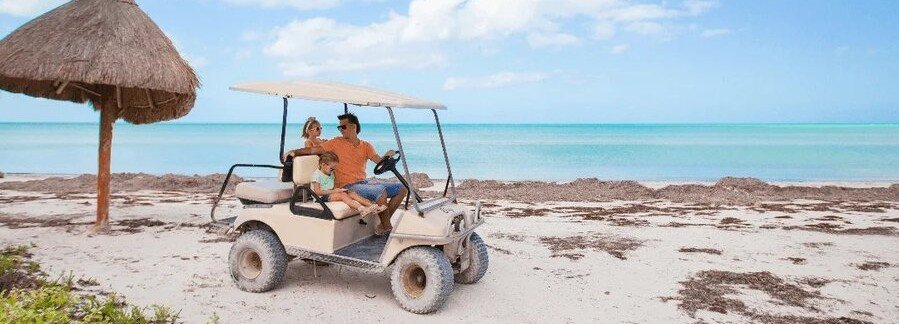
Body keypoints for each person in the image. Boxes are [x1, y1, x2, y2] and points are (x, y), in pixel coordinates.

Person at [286, 113, 408, 235]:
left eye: (343, 127)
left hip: (363, 183)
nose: (340, 129)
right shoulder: (335, 142)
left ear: (353, 127)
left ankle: (383, 224)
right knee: (380, 190)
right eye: (339, 127)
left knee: (402, 188)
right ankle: (387, 229)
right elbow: (313, 150)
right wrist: (294, 152)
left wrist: (387, 156)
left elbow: (379, 162)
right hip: (347, 186)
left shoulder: (366, 146)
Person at [311, 152, 384, 215]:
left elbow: (331, 186)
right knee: (343, 195)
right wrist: (334, 191)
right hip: (321, 197)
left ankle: (373, 207)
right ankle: (362, 209)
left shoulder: (330, 173)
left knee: (352, 193)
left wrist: (339, 189)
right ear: (323, 165)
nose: (333, 170)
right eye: (332, 168)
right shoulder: (317, 175)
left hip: (330, 193)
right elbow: (317, 192)